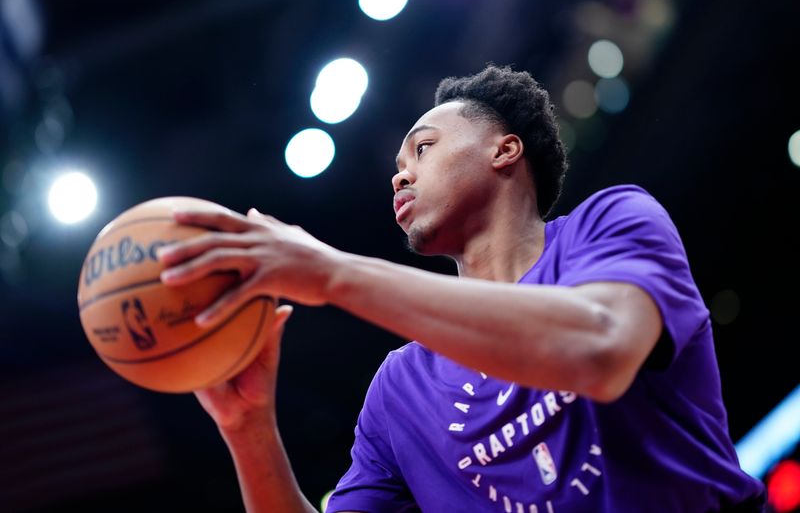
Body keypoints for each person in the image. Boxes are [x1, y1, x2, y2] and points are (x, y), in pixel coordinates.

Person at [157, 65, 766, 512]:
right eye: (398, 162)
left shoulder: (611, 223)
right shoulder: (399, 390)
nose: (401, 172)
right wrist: (248, 428)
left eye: (423, 147)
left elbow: (599, 353)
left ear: (505, 150)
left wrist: (329, 270)